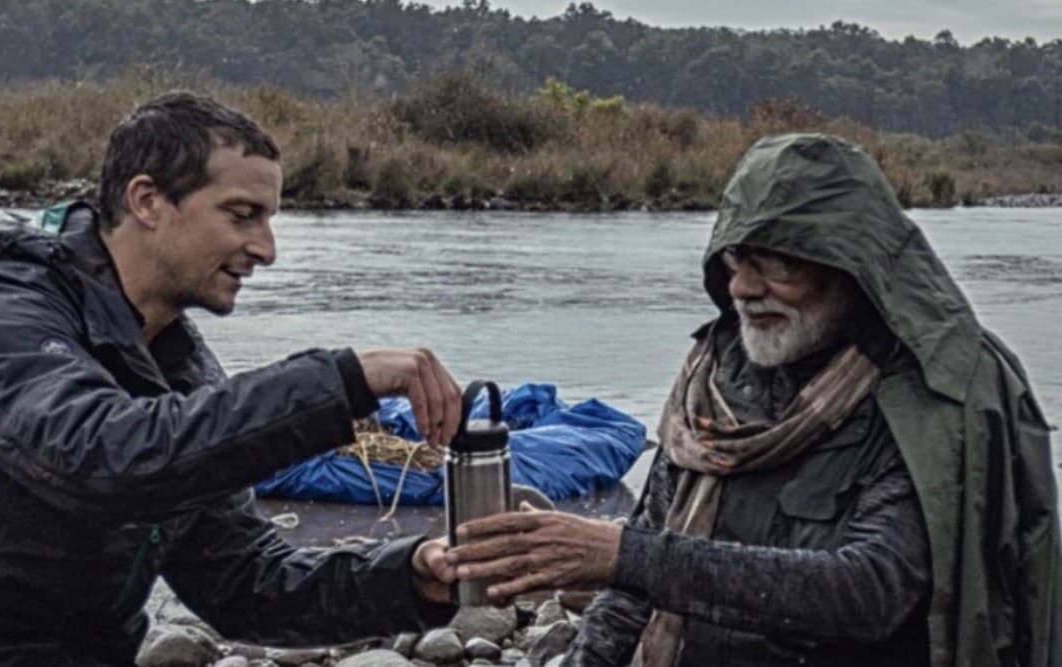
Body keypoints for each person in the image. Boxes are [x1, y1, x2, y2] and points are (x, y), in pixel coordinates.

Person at [0, 92, 461, 665]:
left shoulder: (179, 367)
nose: (266, 248)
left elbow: (244, 581)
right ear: (147, 201)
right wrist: (343, 380)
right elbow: (101, 457)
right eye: (241, 215)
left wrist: (412, 576)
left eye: (269, 219)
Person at [444, 133, 1061, 666]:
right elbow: (632, 591)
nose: (742, 287)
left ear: (851, 267)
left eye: (776, 265)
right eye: (737, 261)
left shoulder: (930, 395)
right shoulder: (716, 380)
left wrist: (623, 555)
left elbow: (871, 590)